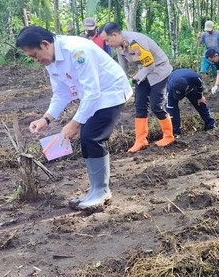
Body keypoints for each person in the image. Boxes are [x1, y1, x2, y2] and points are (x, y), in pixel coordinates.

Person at [15, 25, 133, 210]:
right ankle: (95, 190)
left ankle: (101, 191)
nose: (35, 60)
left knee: (92, 136)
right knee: (88, 137)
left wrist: (74, 123)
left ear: (45, 44)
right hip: (93, 95)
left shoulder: (77, 51)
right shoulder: (51, 60)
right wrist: (45, 119)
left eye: (34, 55)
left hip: (111, 91)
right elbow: (61, 93)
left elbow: (93, 92)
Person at [101, 22, 175, 153]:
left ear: (115, 35)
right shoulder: (119, 46)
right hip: (144, 72)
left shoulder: (135, 42)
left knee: (156, 106)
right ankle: (141, 140)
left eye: (107, 40)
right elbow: (123, 68)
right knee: (139, 105)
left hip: (159, 71)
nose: (107, 44)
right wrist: (121, 81)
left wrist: (134, 79)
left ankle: (169, 136)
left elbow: (151, 65)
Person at [165, 68, 216, 137]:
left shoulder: (195, 78)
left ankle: (211, 125)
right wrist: (170, 118)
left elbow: (200, 86)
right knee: (173, 111)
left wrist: (200, 96)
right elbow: (170, 107)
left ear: (187, 88)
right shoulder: (170, 88)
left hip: (189, 84)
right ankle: (175, 133)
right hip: (173, 81)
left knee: (200, 102)